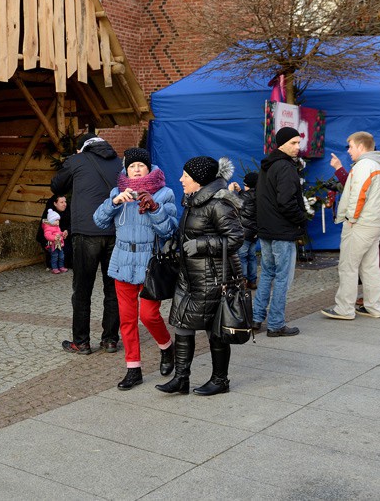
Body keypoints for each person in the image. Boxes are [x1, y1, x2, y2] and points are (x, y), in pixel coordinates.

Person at [156, 156, 244, 396]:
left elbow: (236, 238)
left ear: (200, 180)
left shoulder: (219, 204)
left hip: (212, 277)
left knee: (214, 331)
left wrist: (202, 244)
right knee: (182, 324)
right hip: (189, 276)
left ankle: (220, 380)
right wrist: (174, 242)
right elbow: (189, 230)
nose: (181, 179)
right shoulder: (193, 201)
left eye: (186, 175)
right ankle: (181, 379)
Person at [93, 148, 178, 390]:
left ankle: (166, 346)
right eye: (132, 166)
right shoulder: (117, 192)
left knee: (148, 315)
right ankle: (133, 369)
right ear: (126, 169)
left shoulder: (164, 193)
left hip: (150, 265)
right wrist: (113, 202)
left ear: (149, 167)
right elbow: (98, 220)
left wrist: (154, 209)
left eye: (141, 165)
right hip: (122, 262)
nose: (137, 169)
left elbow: (169, 230)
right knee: (127, 320)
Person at [51, 132, 121, 355]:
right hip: (115, 232)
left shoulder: (77, 160)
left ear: (82, 148)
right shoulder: (118, 162)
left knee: (82, 290)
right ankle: (110, 340)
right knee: (113, 290)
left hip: (87, 232)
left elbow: (56, 185)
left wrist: (73, 162)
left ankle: (81, 342)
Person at [321, 131, 380, 320]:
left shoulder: (364, 166)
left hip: (360, 224)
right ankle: (373, 307)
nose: (349, 151)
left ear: (361, 146)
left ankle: (344, 308)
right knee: (370, 267)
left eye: (350, 146)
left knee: (348, 266)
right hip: (376, 225)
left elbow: (359, 194)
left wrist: (351, 219)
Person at [252, 127, 307, 337]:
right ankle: (275, 324)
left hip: (267, 229)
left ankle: (257, 318)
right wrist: (301, 219)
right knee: (283, 277)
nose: (297, 147)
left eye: (298, 143)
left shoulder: (268, 165)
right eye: (293, 143)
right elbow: (286, 202)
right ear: (281, 144)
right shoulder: (285, 167)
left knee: (267, 274)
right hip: (282, 231)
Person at [330, 152, 380, 305]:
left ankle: (373, 297)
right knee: (372, 263)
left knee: (370, 265)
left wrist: (339, 168)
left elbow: (355, 185)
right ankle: (373, 299)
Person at [228, 171, 259, 289]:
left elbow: (231, 204)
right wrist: (240, 191)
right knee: (252, 256)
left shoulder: (245, 197)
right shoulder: (259, 195)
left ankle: (243, 281)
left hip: (244, 232)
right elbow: (245, 199)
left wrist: (230, 191)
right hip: (255, 232)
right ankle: (253, 280)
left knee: (242, 256)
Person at [35, 195, 72, 270]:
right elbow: (44, 234)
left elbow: (72, 224)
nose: (65, 204)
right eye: (61, 202)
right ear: (55, 204)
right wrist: (52, 240)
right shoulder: (49, 217)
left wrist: (67, 231)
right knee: (57, 254)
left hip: (62, 238)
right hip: (51, 240)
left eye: (65, 202)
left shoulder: (67, 211)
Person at [42, 207, 67, 274]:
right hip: (53, 245)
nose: (58, 222)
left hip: (59, 244)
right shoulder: (48, 228)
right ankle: (54, 268)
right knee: (54, 256)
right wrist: (54, 238)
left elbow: (59, 233)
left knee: (61, 256)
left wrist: (62, 233)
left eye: (58, 220)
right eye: (56, 220)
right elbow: (47, 235)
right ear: (52, 221)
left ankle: (61, 267)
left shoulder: (57, 227)